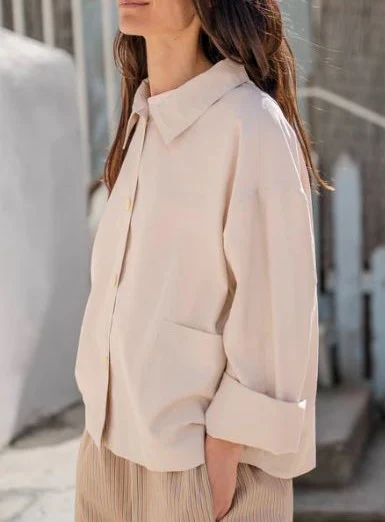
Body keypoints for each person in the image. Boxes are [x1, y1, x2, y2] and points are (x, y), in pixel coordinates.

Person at [74, 0, 331, 520]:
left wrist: (224, 453)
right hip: (107, 452)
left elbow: (276, 309)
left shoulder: (250, 125)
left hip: (198, 467)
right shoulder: (143, 119)